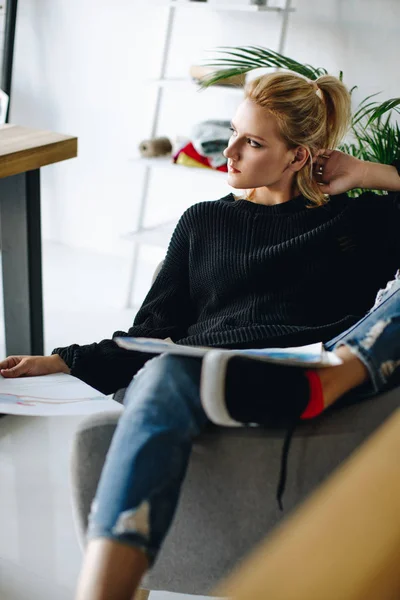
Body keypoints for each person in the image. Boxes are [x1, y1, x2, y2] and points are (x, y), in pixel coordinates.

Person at [1, 71, 400, 600]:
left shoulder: (358, 221)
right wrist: (62, 359)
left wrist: (370, 173)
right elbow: (155, 332)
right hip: (211, 372)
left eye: (253, 142)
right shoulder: (203, 221)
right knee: (166, 369)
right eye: (233, 132)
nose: (228, 153)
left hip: (315, 365)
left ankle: (334, 375)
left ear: (298, 157)